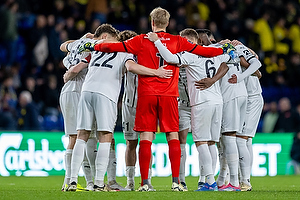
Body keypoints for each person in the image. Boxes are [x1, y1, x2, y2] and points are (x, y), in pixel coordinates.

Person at [79, 7, 233, 192]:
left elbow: (114, 46)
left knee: (145, 138)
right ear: (168, 23)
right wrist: (222, 49)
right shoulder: (178, 40)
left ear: (152, 22)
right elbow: (204, 52)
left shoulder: (141, 40)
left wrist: (94, 46)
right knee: (172, 136)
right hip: (169, 95)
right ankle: (176, 182)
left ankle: (145, 183)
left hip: (147, 94)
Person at [66, 23, 173, 192]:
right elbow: (131, 67)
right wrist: (156, 72)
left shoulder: (98, 47)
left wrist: (81, 41)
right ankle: (100, 183)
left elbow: (67, 47)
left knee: (82, 134)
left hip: (86, 90)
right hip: (106, 93)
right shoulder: (126, 52)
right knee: (106, 136)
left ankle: (71, 181)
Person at [146, 28, 230, 191]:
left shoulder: (189, 55)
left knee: (201, 141)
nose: (183, 44)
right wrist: (214, 79)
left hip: (200, 102)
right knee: (210, 142)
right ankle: (201, 180)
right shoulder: (213, 50)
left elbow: (169, 58)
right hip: (214, 101)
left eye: (187, 41)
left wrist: (156, 41)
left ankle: (209, 181)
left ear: (195, 41)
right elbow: (228, 59)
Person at [119, 30, 158, 191]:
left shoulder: (147, 54)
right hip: (129, 104)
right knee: (131, 143)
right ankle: (130, 182)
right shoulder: (122, 58)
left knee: (146, 143)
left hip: (147, 103)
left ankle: (146, 181)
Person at [59, 32, 97, 191]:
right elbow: (77, 69)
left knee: (77, 138)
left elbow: (62, 46)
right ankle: (71, 181)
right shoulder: (91, 49)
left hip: (67, 92)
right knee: (78, 137)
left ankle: (75, 181)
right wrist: (70, 73)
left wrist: (82, 38)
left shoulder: (76, 45)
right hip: (78, 91)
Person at [228, 40, 263, 191]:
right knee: (246, 141)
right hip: (245, 98)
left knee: (240, 139)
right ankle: (244, 178)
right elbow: (257, 69)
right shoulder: (232, 50)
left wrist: (241, 77)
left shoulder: (238, 48)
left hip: (252, 98)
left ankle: (245, 181)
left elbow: (256, 65)